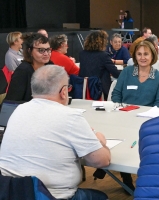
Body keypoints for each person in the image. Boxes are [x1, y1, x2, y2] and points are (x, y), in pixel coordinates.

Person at [0, 65, 111, 199]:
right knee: (101, 197)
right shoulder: (70, 117)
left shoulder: (19, 110)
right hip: (48, 195)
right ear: (63, 92)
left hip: (11, 192)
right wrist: (100, 141)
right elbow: (101, 161)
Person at [112, 41, 159, 107]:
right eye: (139, 54)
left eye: (146, 54)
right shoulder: (126, 72)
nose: (142, 57)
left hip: (148, 116)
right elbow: (116, 94)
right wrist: (119, 108)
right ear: (135, 56)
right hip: (124, 113)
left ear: (152, 56)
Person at [5, 33, 51, 102]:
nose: (46, 54)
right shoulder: (23, 71)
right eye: (41, 50)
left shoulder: (50, 65)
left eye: (48, 50)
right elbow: (12, 103)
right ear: (29, 51)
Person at [79, 30, 120, 100]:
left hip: (84, 89)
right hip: (100, 90)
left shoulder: (82, 54)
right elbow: (116, 74)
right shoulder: (103, 56)